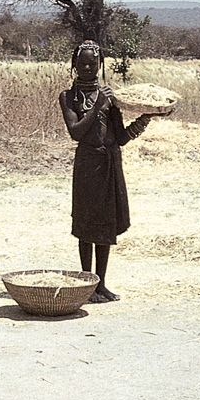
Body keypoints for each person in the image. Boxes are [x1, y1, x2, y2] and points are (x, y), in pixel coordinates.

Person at [59, 40, 162, 302]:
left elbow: (121, 137)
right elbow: (76, 132)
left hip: (109, 163)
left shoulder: (111, 97)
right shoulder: (68, 97)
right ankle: (86, 282)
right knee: (86, 224)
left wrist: (144, 120)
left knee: (105, 225)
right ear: (74, 65)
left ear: (99, 65)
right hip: (87, 164)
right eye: (81, 63)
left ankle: (101, 284)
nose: (86, 67)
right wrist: (97, 106)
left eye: (91, 63)